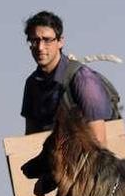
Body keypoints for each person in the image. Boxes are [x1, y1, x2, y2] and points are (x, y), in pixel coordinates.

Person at [20, 11, 116, 147]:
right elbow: (31, 139)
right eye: (35, 41)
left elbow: (99, 142)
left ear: (60, 42)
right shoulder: (32, 84)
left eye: (47, 40)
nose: (40, 47)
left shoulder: (83, 78)